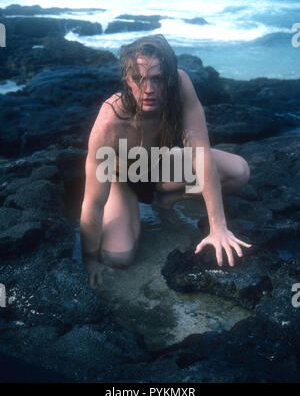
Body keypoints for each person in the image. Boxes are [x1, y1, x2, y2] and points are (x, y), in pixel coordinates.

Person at [80, 34, 252, 289]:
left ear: (170, 77)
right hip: (124, 179)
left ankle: (165, 199)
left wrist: (218, 228)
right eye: (139, 79)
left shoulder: (181, 86)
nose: (148, 89)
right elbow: (93, 204)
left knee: (239, 171)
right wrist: (89, 260)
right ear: (127, 80)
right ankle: (137, 207)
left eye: (157, 79)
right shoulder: (110, 122)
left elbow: (200, 153)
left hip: (162, 167)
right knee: (118, 256)